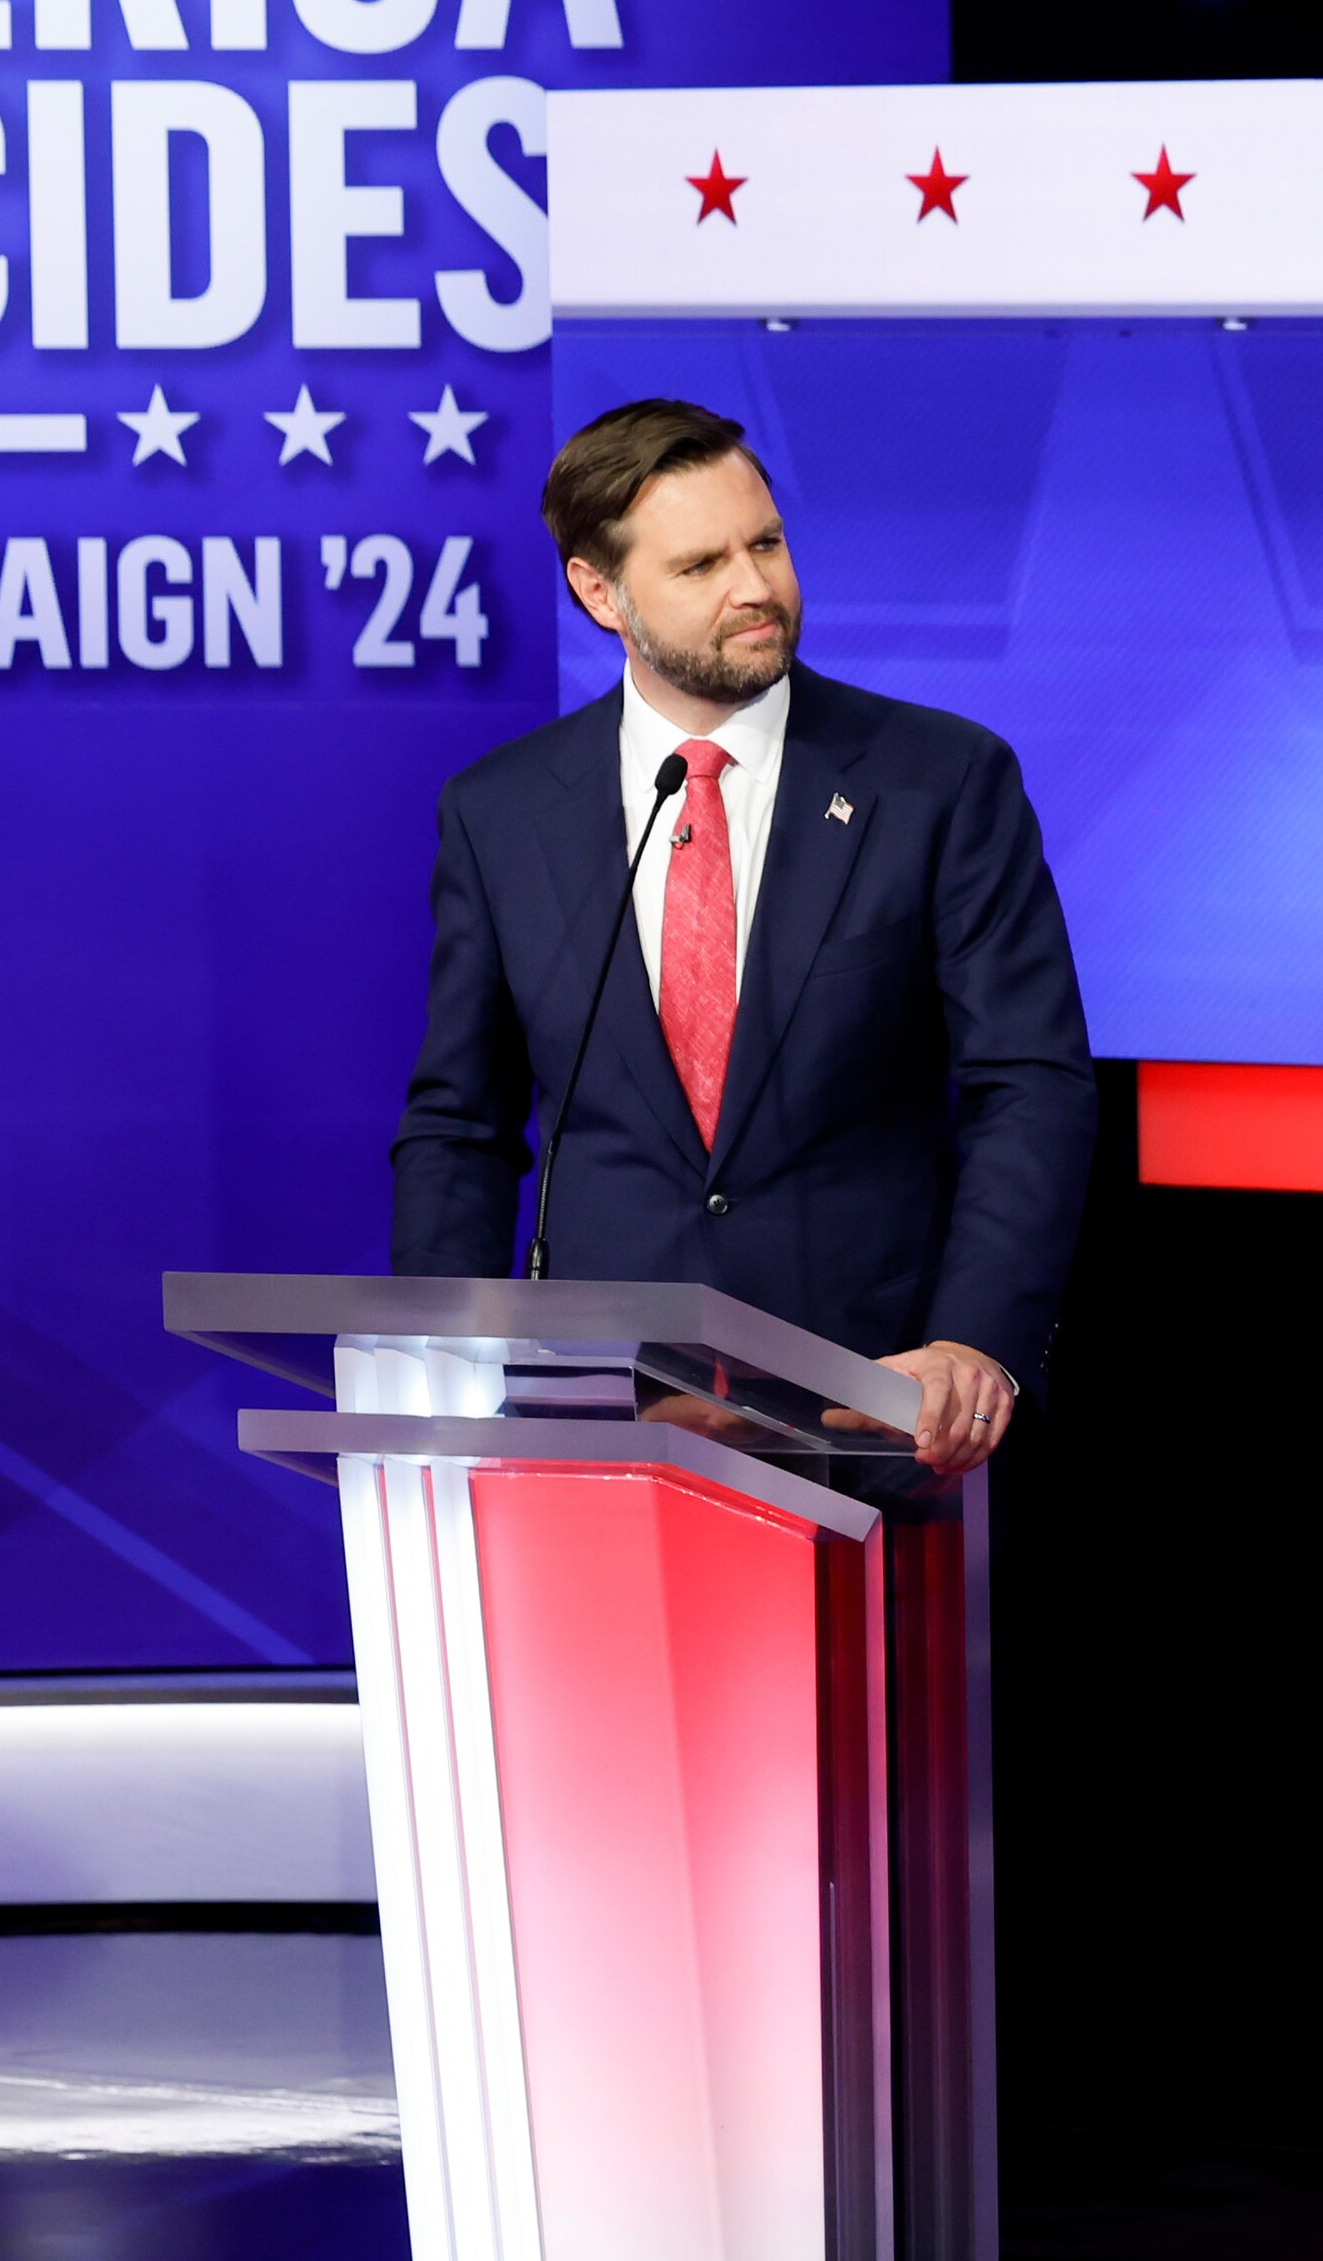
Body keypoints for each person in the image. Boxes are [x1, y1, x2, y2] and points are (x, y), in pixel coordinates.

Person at [392, 399, 1095, 1473]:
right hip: (602, 1423)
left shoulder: (939, 782)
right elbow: (461, 1128)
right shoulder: (501, 813)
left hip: (876, 1411)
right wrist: (438, 1380)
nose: (755, 588)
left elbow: (1030, 1082)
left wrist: (975, 1339)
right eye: (700, 565)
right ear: (600, 591)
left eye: (765, 543)